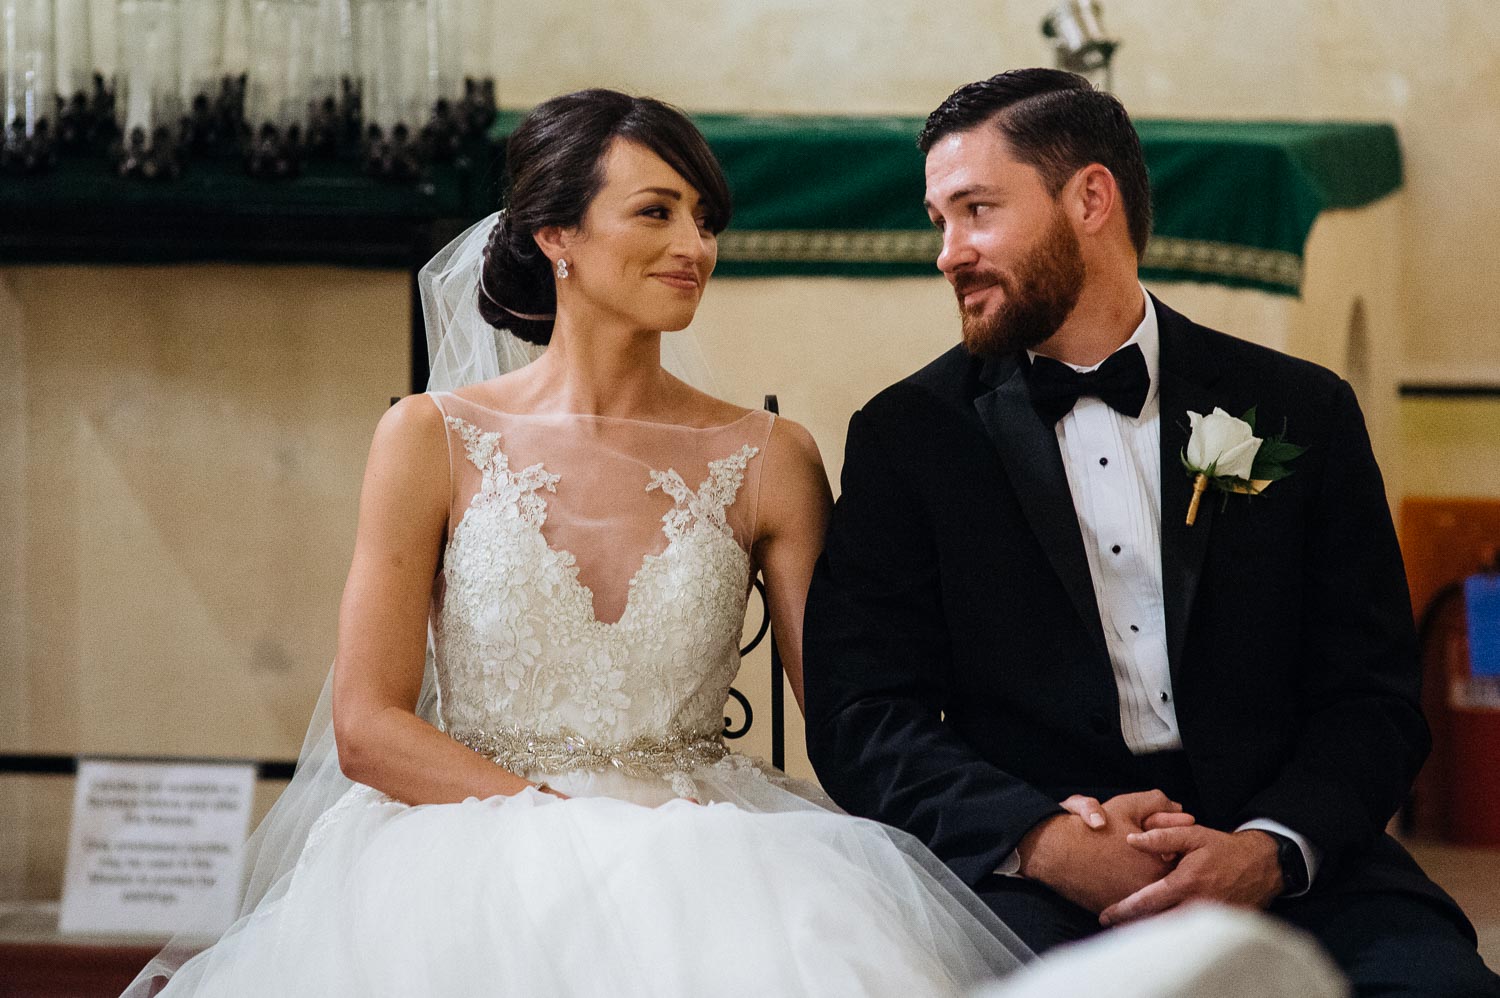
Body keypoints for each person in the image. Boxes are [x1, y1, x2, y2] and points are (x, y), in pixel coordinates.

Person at [123, 89, 1029, 997]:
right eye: (656, 212)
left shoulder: (770, 457)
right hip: (461, 853)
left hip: (712, 860)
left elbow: (849, 713)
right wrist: (565, 833)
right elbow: (367, 728)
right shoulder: (426, 438)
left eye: (705, 219)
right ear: (556, 234)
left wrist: (1040, 813)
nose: (695, 247)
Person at [803, 68, 1500, 996]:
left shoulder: (1299, 409)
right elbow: (863, 717)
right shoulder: (910, 436)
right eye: (941, 221)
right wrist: (1044, 840)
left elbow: (1372, 694)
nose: (948, 253)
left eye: (975, 210)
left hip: (1292, 859)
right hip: (1038, 879)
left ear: (1090, 198)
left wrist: (1270, 846)